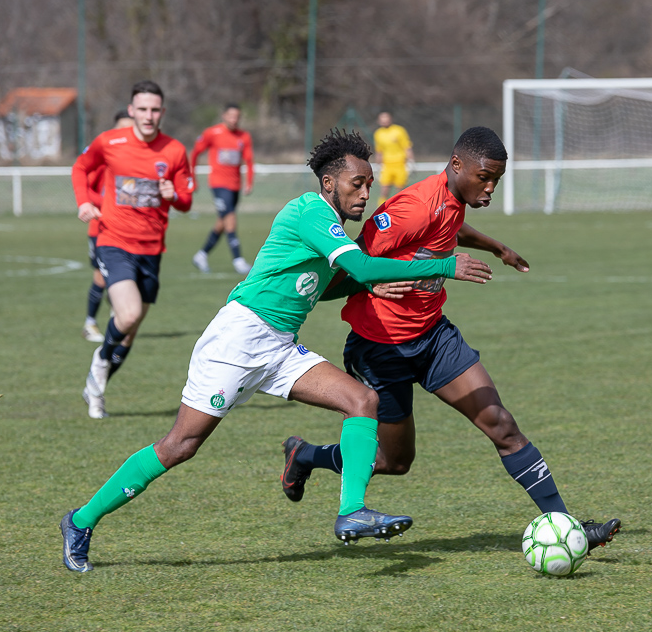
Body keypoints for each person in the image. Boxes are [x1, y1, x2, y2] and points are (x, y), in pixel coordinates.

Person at [59, 129, 494, 572]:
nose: (366, 193)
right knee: (180, 445)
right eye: (356, 184)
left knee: (363, 400)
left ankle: (352, 511)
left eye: (369, 183)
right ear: (329, 183)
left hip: (279, 346)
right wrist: (443, 264)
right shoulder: (309, 212)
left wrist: (367, 279)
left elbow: (322, 289)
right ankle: (80, 521)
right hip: (239, 338)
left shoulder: (332, 227)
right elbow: (358, 265)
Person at [278, 127, 621, 552]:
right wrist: (378, 283)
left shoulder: (453, 199)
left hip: (434, 338)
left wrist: (498, 247)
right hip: (380, 346)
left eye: (497, 178)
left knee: (502, 425)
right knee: (393, 461)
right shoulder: (411, 208)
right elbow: (349, 268)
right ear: (457, 166)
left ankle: (569, 527)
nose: (491, 187)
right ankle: (306, 456)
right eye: (484, 177)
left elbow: (453, 229)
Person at [72, 80, 195, 419]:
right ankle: (98, 364)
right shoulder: (110, 142)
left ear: (162, 112)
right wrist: (84, 202)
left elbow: (185, 201)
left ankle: (95, 391)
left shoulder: (174, 150)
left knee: (130, 329)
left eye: (155, 109)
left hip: (152, 251)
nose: (148, 115)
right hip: (114, 242)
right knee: (127, 314)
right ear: (131, 110)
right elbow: (80, 167)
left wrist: (174, 196)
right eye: (142, 109)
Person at [80, 110, 134, 343]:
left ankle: (118, 321)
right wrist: (106, 204)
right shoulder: (104, 156)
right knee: (101, 278)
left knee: (126, 279)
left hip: (129, 230)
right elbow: (87, 185)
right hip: (101, 228)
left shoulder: (136, 158)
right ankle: (90, 323)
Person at [190, 103, 256, 276]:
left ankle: (201, 255)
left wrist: (249, 182)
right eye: (231, 116)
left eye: (237, 117)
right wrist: (193, 178)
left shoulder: (244, 136)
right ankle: (238, 259)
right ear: (224, 116)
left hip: (235, 186)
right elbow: (195, 153)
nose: (234, 120)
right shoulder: (212, 133)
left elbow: (249, 161)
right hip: (219, 184)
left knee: (223, 221)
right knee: (230, 218)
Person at [373, 111, 414, 203]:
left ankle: (399, 211)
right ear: (379, 121)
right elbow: (379, 151)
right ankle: (380, 211)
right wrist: (378, 166)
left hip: (400, 164)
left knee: (399, 191)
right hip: (387, 165)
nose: (384, 120)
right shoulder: (378, 134)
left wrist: (411, 162)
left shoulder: (399, 130)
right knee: (384, 191)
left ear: (390, 119)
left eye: (386, 118)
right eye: (382, 119)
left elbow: (407, 147)